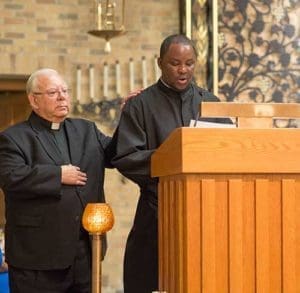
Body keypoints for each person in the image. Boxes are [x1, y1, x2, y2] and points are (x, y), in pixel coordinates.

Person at [109, 34, 232, 293]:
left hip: (206, 212)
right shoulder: (141, 104)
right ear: (160, 63)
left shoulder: (211, 104)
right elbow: (125, 156)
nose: (183, 70)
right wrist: (173, 161)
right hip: (157, 210)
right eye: (175, 63)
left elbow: (227, 152)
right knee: (152, 280)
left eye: (189, 63)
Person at [0, 68, 112, 293]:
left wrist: (131, 117)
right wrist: (58, 175)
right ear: (34, 100)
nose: (62, 97)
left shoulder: (86, 130)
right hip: (37, 257)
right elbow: (11, 176)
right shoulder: (14, 137)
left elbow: (116, 153)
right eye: (53, 92)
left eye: (65, 91)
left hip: (84, 252)